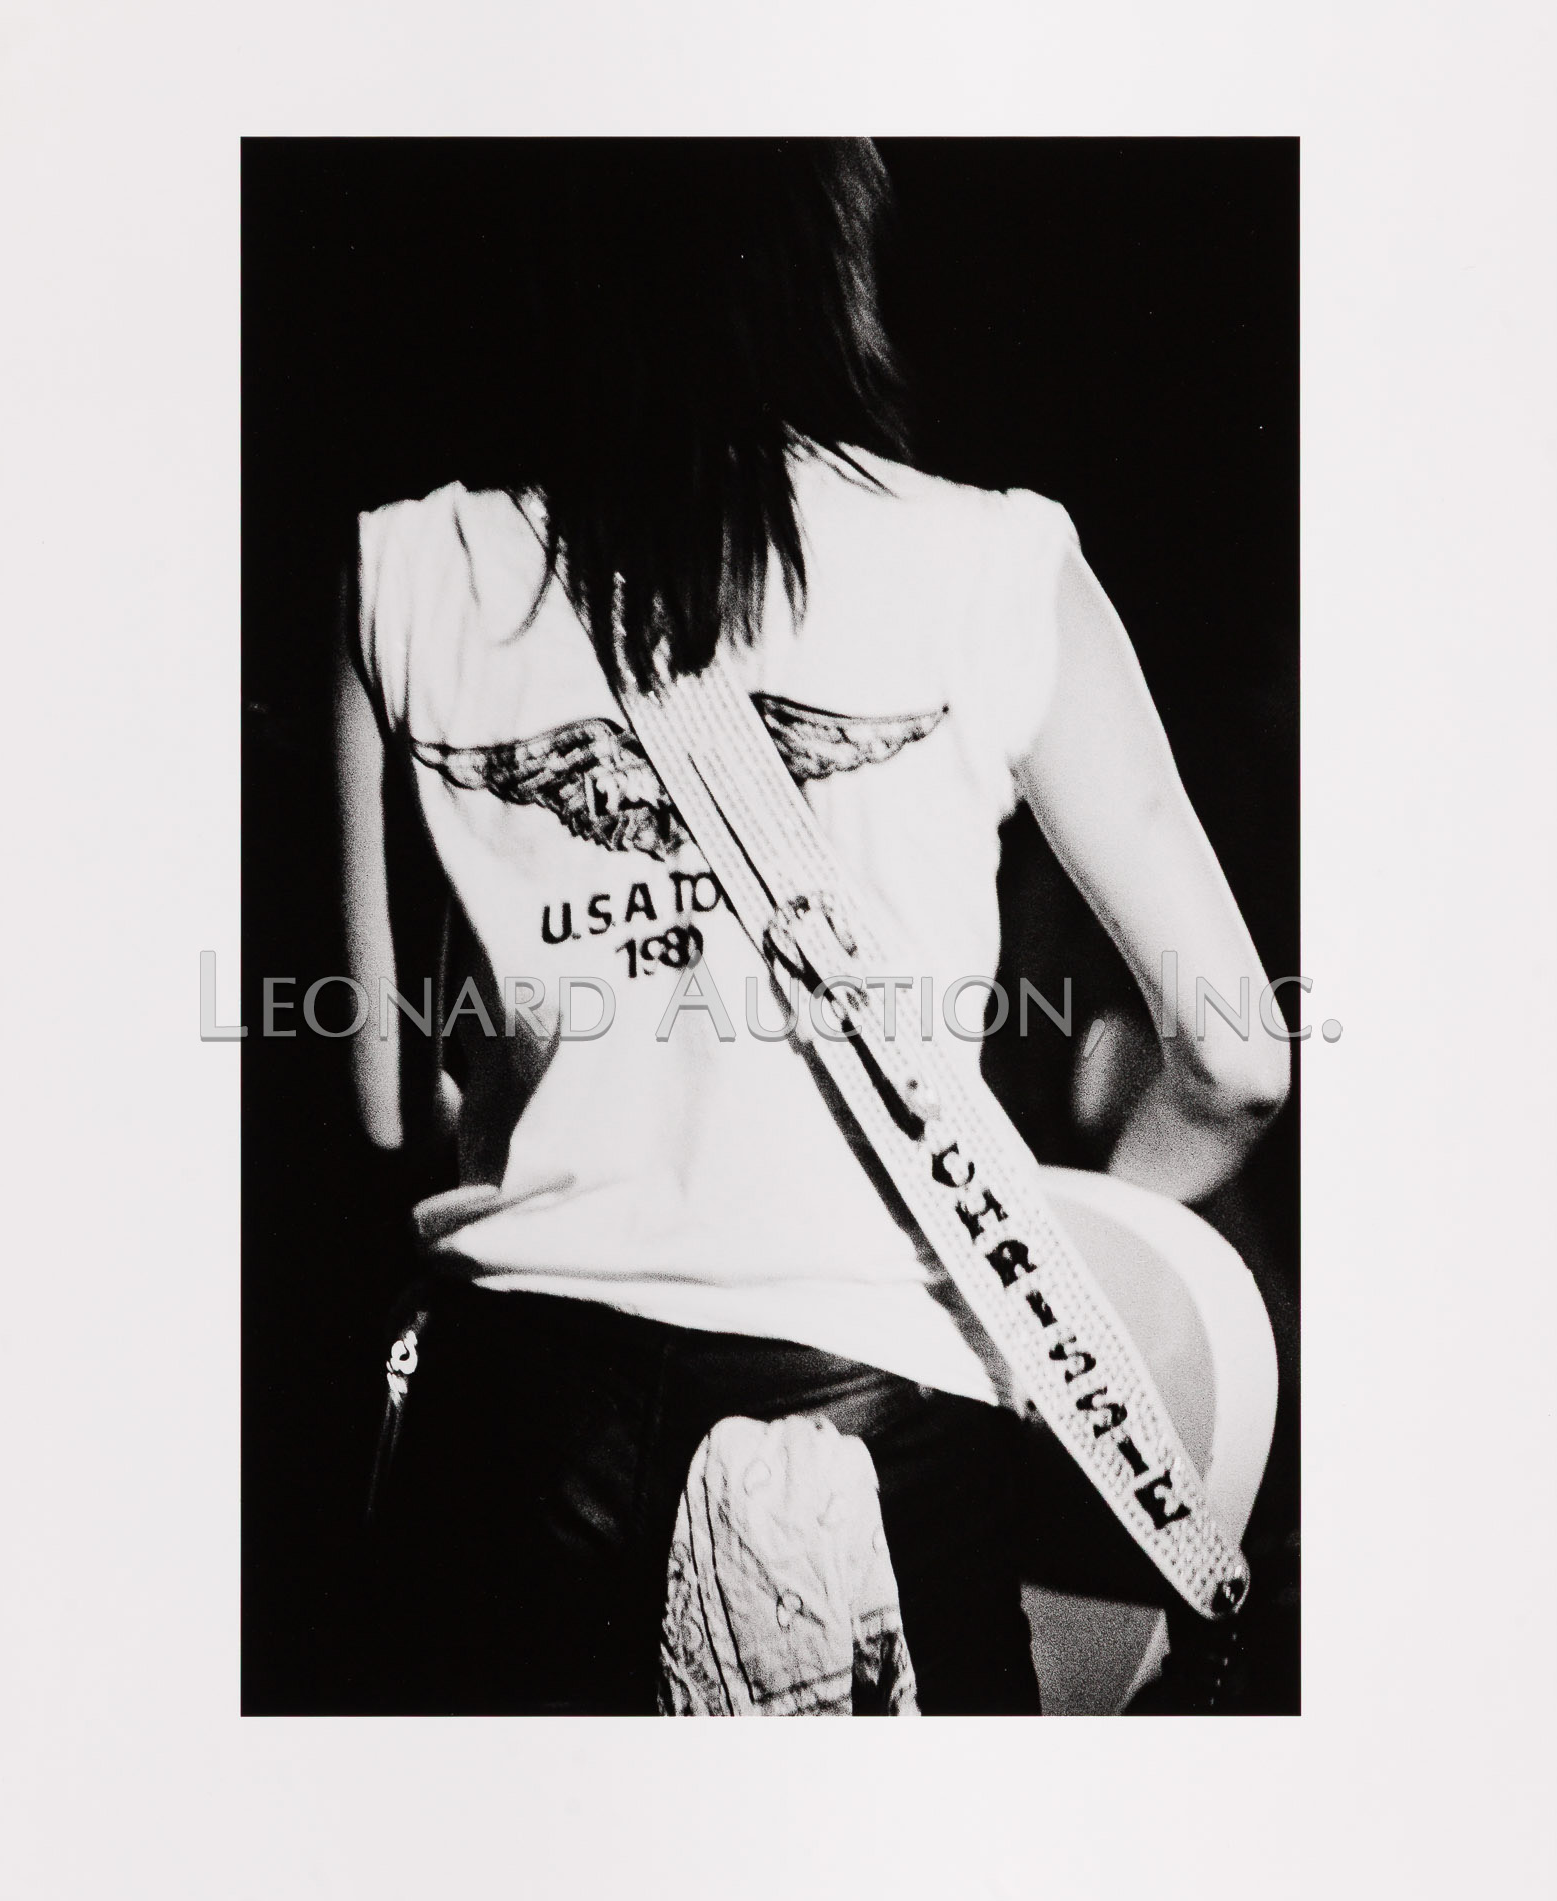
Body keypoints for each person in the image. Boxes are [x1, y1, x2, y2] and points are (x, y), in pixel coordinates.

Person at [333, 140, 1289, 1714]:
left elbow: (381, 1105)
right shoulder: (993, 561)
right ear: (832, 257)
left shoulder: (404, 567)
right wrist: (1054, 1239)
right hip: (872, 1430)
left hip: (507, 1433)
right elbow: (1236, 1059)